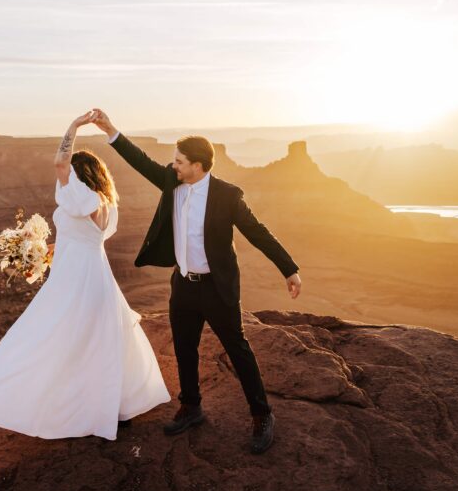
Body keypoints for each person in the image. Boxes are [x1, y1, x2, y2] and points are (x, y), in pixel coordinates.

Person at [89, 108, 302, 454]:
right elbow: (140, 161)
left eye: (179, 161)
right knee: (184, 348)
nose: (173, 166)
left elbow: (257, 233)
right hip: (183, 286)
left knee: (238, 349)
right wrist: (111, 130)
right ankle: (191, 407)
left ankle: (262, 415)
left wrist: (289, 269)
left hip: (217, 288)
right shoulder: (173, 184)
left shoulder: (228, 196)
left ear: (198, 165)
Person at [0, 110, 171, 440]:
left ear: (79, 175)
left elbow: (59, 163)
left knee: (56, 337)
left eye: (71, 173)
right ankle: (112, 406)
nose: (64, 176)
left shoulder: (80, 194)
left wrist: (75, 126)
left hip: (75, 278)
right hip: (95, 275)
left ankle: (70, 407)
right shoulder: (105, 203)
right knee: (101, 340)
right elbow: (85, 235)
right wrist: (45, 250)